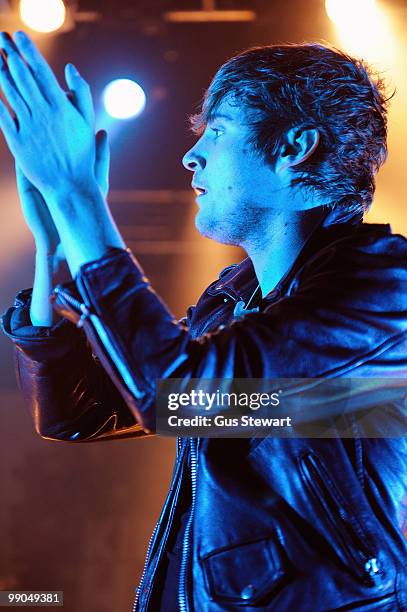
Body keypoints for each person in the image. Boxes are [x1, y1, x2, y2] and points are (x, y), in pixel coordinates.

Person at [1, 30, 406, 611]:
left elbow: (185, 394)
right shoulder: (234, 304)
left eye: (217, 132)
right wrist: (58, 250)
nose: (191, 155)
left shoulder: (382, 293)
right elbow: (79, 413)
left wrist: (79, 199)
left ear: (296, 147)